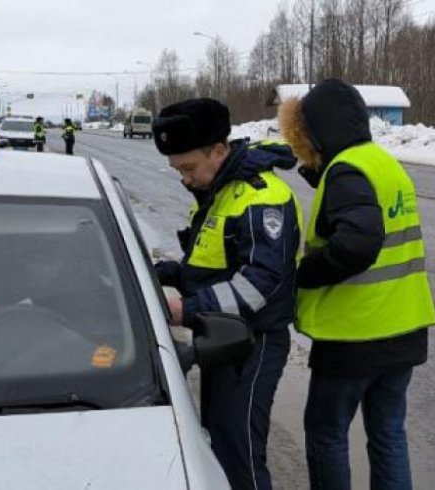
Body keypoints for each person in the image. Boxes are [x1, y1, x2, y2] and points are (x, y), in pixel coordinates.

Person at [277, 78, 435, 490]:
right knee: (388, 434)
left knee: (326, 432)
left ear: (316, 132)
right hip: (403, 328)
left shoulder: (347, 172)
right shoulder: (383, 163)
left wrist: (304, 273)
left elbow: (358, 242)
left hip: (355, 335)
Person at [151, 98, 301, 490]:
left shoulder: (260, 196)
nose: (184, 178)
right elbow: (207, 266)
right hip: (221, 339)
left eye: (188, 167)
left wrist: (186, 309)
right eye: (176, 170)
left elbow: (258, 283)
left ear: (219, 151)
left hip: (254, 343)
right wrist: (159, 274)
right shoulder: (220, 190)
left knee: (240, 453)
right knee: (218, 440)